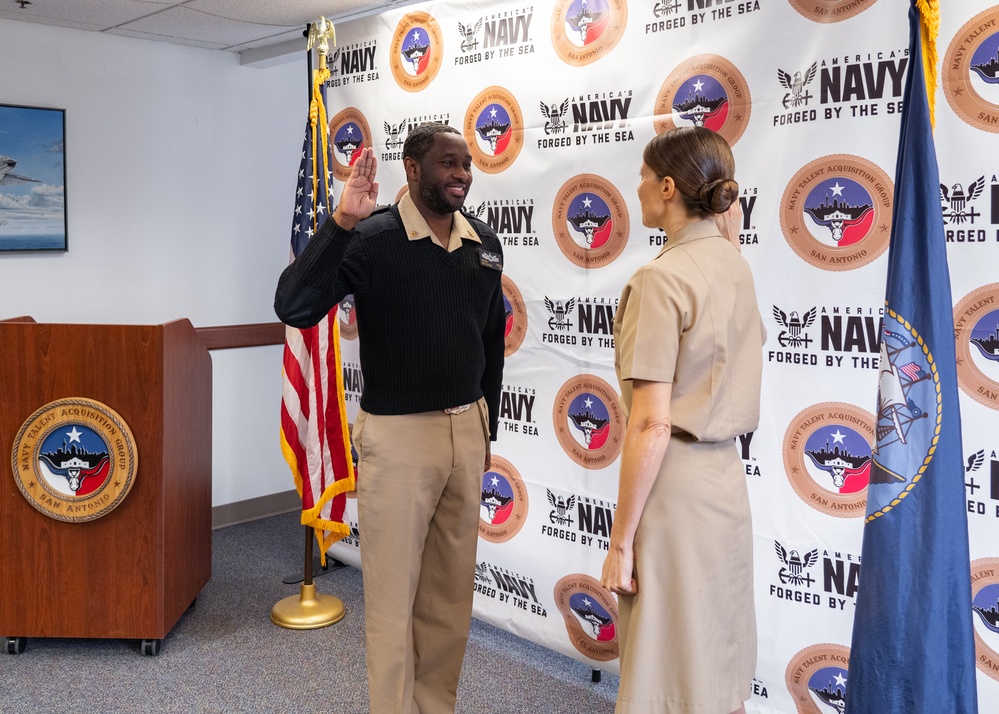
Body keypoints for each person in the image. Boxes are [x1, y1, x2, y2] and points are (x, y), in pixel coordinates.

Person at [274, 123, 505, 714]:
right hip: (400, 439)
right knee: (393, 599)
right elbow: (295, 305)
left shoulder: (484, 240)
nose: (461, 175)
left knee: (449, 599)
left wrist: (486, 429)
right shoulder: (371, 238)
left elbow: (490, 342)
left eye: (467, 165)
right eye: (448, 164)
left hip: (466, 432)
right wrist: (341, 222)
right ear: (412, 169)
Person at [599, 126, 764, 714]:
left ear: (668, 188)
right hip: (724, 482)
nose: (638, 187)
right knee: (715, 650)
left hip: (672, 489)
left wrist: (620, 542)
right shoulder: (734, 265)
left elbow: (651, 424)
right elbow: (725, 229)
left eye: (646, 177)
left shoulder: (659, 280)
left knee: (664, 662)